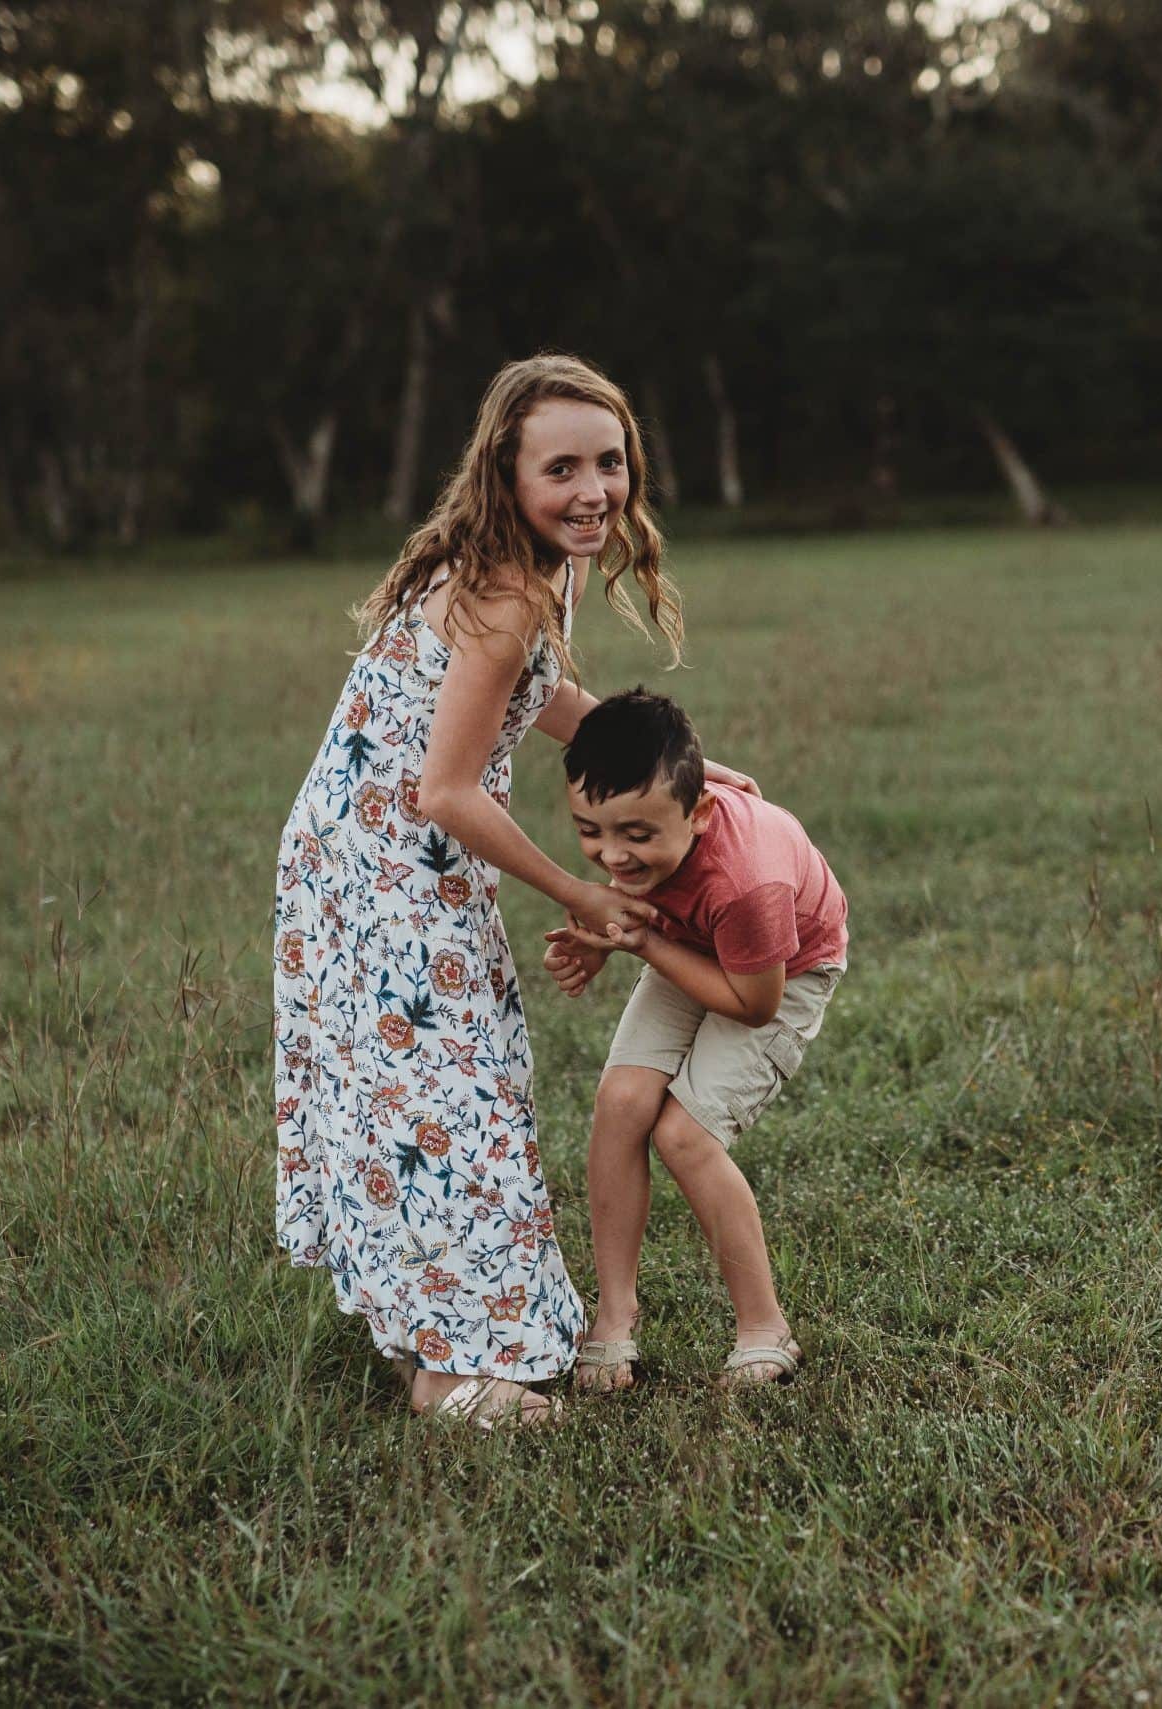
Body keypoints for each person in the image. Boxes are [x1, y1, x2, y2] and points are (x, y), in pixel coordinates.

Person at [274, 355, 748, 1430]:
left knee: (426, 1093)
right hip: (379, 862)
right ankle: (449, 1372)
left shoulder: (540, 563)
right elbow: (443, 788)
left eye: (611, 462)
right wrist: (574, 889)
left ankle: (427, 1335)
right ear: (506, 471)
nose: (594, 489)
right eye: (562, 467)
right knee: (451, 1098)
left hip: (376, 851)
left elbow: (539, 694)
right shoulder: (504, 585)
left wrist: (685, 770)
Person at [542, 690, 850, 1391]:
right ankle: (614, 1319)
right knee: (621, 1100)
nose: (612, 855)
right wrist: (605, 942)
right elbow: (649, 903)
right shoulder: (654, 831)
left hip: (781, 969)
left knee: (685, 1134)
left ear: (700, 811)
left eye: (637, 835)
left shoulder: (748, 883)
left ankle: (765, 1329)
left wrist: (643, 941)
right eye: (591, 830)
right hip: (693, 942)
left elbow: (751, 1002)